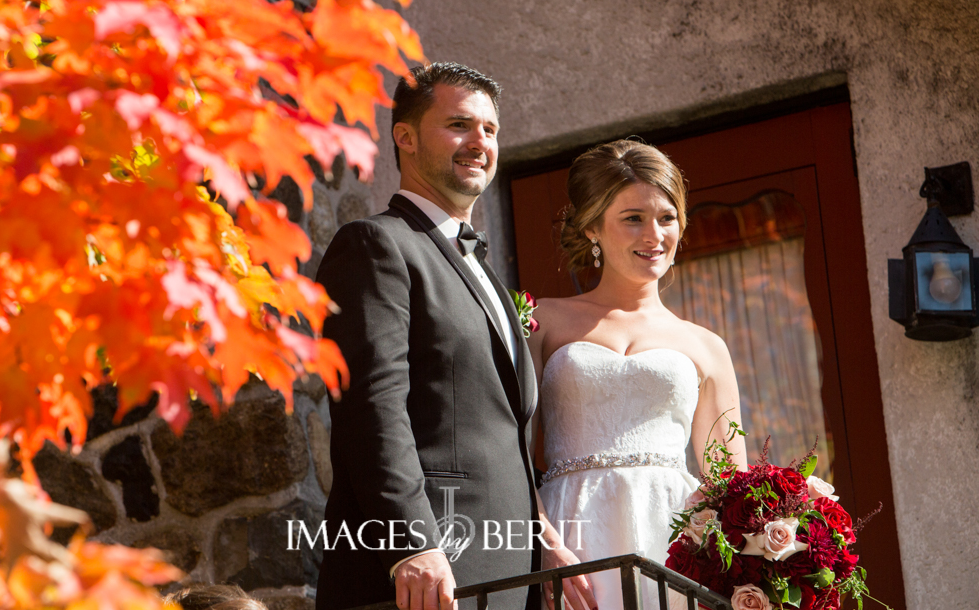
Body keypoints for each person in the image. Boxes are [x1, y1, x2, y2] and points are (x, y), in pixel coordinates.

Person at [315, 63, 590, 610]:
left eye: (490, 130)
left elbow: (497, 433)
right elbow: (371, 408)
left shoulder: (483, 270)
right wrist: (409, 544)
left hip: (508, 574)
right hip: (423, 578)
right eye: (460, 125)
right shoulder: (376, 246)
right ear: (406, 137)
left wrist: (540, 537)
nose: (480, 143)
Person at [528, 139, 748, 610]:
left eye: (667, 218)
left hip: (674, 540)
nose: (654, 235)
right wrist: (543, 541)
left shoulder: (706, 346)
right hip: (570, 532)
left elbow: (729, 481)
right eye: (633, 218)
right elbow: (509, 449)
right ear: (591, 228)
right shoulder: (541, 321)